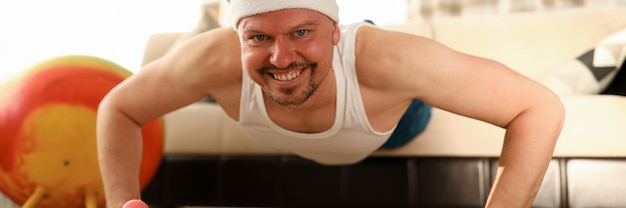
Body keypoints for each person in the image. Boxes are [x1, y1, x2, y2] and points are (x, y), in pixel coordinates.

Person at [96, 0, 565, 207]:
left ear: (334, 33)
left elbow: (538, 107)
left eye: (302, 31)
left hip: (387, 122)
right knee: (227, 80)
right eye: (258, 36)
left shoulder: (390, 61)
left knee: (378, 76)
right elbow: (118, 107)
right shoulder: (211, 61)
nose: (281, 55)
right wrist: (123, 204)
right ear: (235, 37)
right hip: (244, 89)